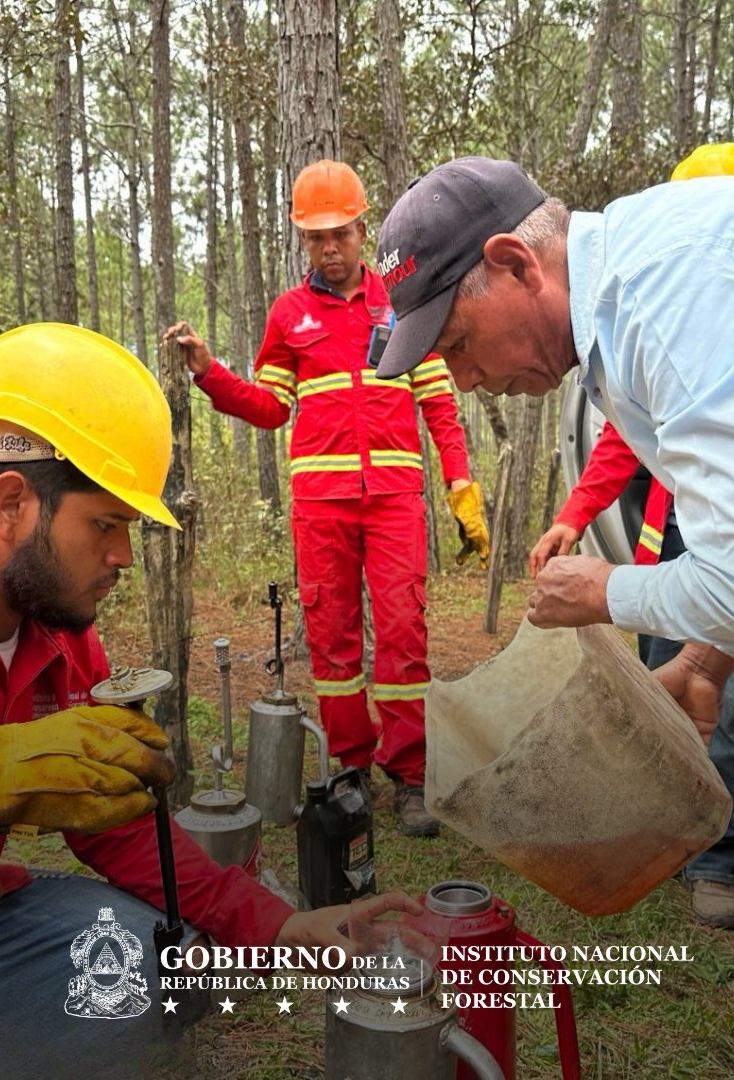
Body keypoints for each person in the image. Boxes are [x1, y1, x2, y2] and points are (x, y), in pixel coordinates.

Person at [373, 155, 734, 1077]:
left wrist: (607, 591)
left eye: (458, 342)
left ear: (515, 262)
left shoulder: (672, 292)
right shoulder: (636, 298)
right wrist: (705, 663)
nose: (463, 378)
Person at [0, 322, 420, 1079]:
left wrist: (282, 926)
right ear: (11, 503)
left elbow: (121, 825)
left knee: (159, 967)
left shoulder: (56, 632)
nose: (122, 555)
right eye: (105, 524)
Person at [165, 159, 489, 839]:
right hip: (321, 507)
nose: (329, 248)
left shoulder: (403, 301)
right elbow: (269, 407)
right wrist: (209, 373)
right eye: (316, 237)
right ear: (303, 240)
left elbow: (438, 403)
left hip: (395, 500)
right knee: (333, 643)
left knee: (403, 636)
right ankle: (351, 768)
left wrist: (460, 483)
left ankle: (409, 776)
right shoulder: (290, 315)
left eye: (339, 233)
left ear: (362, 230)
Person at [530, 143, 734, 932]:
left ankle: (714, 860)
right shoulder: (659, 331)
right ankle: (656, 835)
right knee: (663, 690)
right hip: (671, 542)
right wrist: (574, 515)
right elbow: (622, 439)